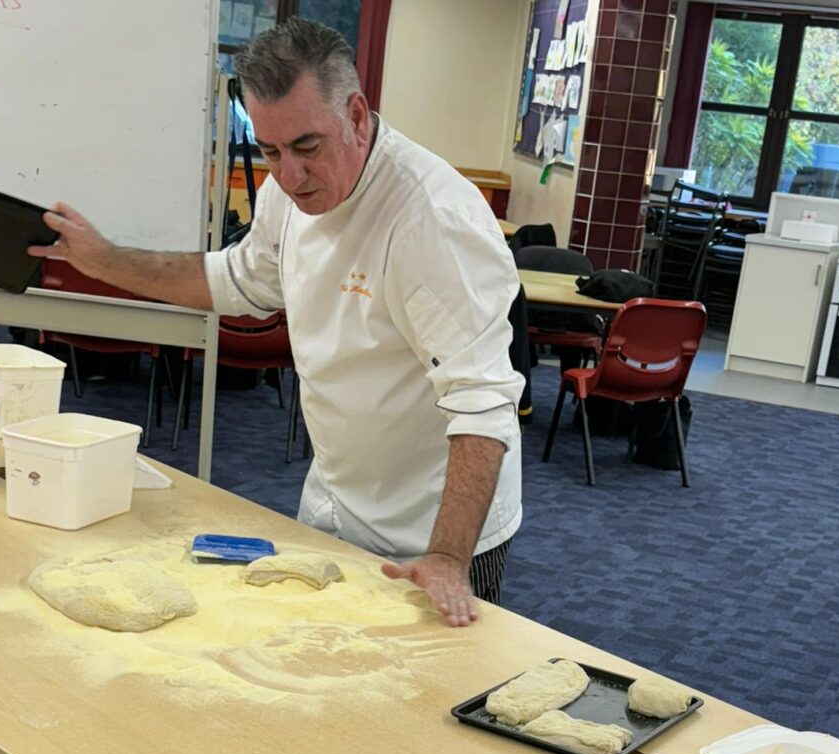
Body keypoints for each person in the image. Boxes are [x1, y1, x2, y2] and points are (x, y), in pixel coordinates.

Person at [30, 17, 524, 628]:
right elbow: (233, 281)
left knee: (422, 709)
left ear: (358, 116)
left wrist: (448, 556)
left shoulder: (432, 223)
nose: (289, 176)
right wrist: (104, 260)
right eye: (270, 151)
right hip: (336, 503)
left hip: (436, 531)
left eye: (308, 147)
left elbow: (483, 403)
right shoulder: (288, 194)